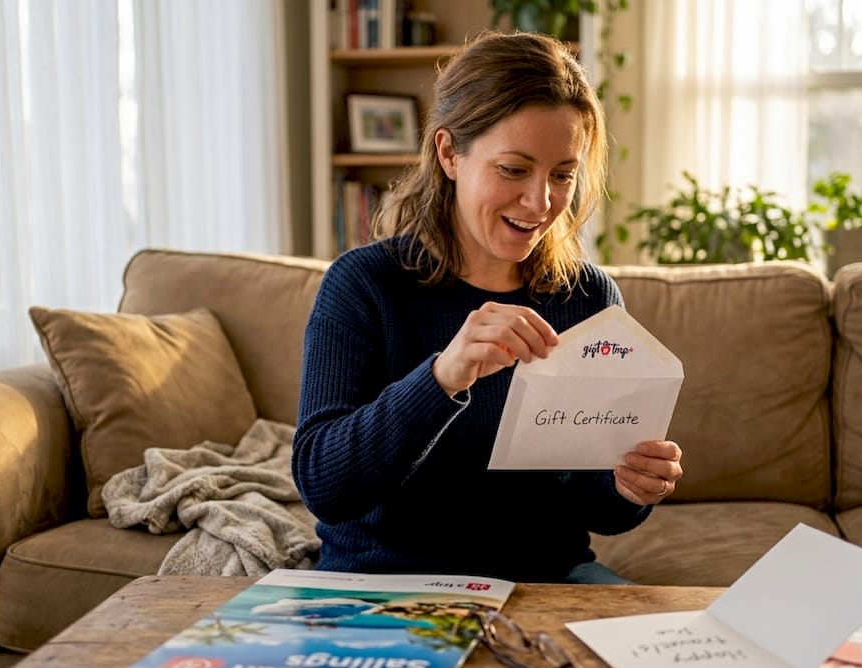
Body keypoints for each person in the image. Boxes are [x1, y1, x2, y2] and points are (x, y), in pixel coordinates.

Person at [292, 30, 684, 585]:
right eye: (514, 169)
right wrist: (441, 378)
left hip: (544, 578)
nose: (540, 201)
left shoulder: (589, 299)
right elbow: (324, 486)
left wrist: (627, 487)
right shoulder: (364, 285)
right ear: (449, 153)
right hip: (386, 582)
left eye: (563, 175)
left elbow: (593, 505)